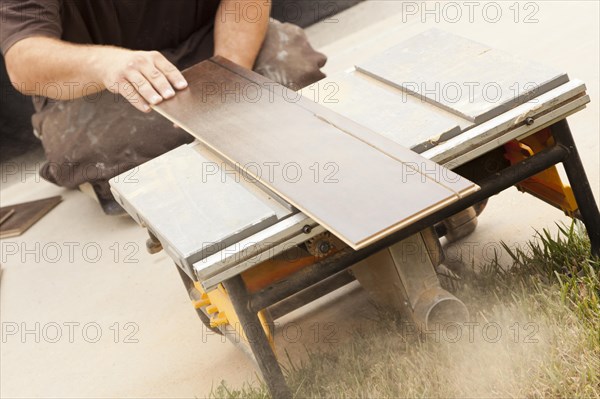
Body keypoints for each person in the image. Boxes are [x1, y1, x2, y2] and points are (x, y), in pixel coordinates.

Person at [1, 0, 327, 214]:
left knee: (293, 66)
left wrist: (227, 76)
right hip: (98, 82)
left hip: (206, 44)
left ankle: (218, 132)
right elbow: (23, 60)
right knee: (103, 149)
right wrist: (106, 64)